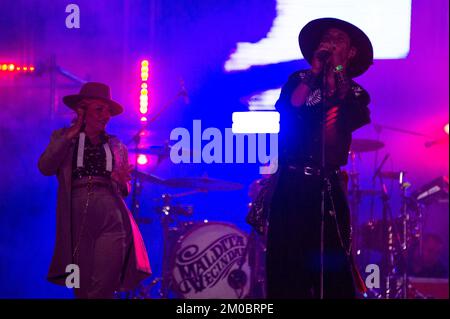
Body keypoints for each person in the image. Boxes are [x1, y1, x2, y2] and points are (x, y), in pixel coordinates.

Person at [265, 18, 373, 298]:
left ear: (350, 52)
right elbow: (291, 107)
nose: (332, 41)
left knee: (333, 272)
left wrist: (335, 70)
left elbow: (345, 112)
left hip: (326, 189)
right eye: (328, 36)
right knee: (285, 270)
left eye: (340, 39)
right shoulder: (299, 80)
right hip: (291, 185)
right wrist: (315, 71)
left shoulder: (357, 93)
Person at [38, 82, 151, 298]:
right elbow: (45, 167)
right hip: (76, 213)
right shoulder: (64, 138)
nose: (106, 115)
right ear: (82, 109)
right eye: (99, 109)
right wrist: (71, 133)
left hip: (110, 213)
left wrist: (121, 181)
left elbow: (125, 188)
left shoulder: (116, 145)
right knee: (81, 287)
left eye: (108, 111)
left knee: (104, 286)